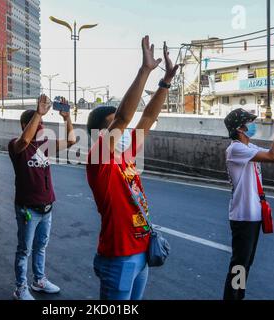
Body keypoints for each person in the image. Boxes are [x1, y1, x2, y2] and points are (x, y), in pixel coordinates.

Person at [86, 36, 179, 300]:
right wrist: (144, 71)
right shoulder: (99, 161)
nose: (124, 130)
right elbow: (124, 117)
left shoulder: (125, 155)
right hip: (118, 258)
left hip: (141, 253)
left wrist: (166, 82)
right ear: (100, 134)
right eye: (116, 127)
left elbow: (147, 118)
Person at [8, 95, 76, 300]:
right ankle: (20, 288)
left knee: (41, 247)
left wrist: (67, 117)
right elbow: (25, 140)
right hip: (27, 208)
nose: (41, 127)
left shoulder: (45, 144)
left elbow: (72, 140)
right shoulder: (16, 145)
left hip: (47, 207)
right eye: (38, 123)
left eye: (42, 124)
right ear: (25, 125)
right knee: (24, 250)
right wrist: (38, 113)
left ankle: (39, 280)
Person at [223, 108, 274, 300]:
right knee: (239, 264)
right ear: (240, 129)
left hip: (253, 215)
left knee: (245, 263)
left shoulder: (249, 148)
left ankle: (238, 296)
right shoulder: (235, 149)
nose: (253, 125)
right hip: (243, 216)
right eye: (249, 123)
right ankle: (232, 298)